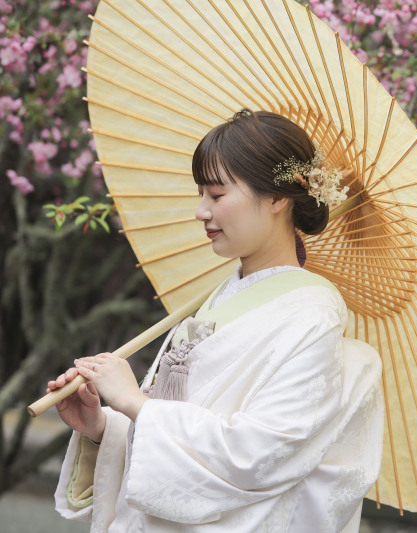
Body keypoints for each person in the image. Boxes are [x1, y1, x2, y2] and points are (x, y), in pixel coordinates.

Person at [48, 109, 384, 532]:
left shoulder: (311, 316)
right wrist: (103, 426)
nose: (200, 211)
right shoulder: (220, 296)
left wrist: (136, 403)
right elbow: (187, 414)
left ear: (279, 199)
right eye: (201, 194)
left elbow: (259, 455)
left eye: (217, 195)